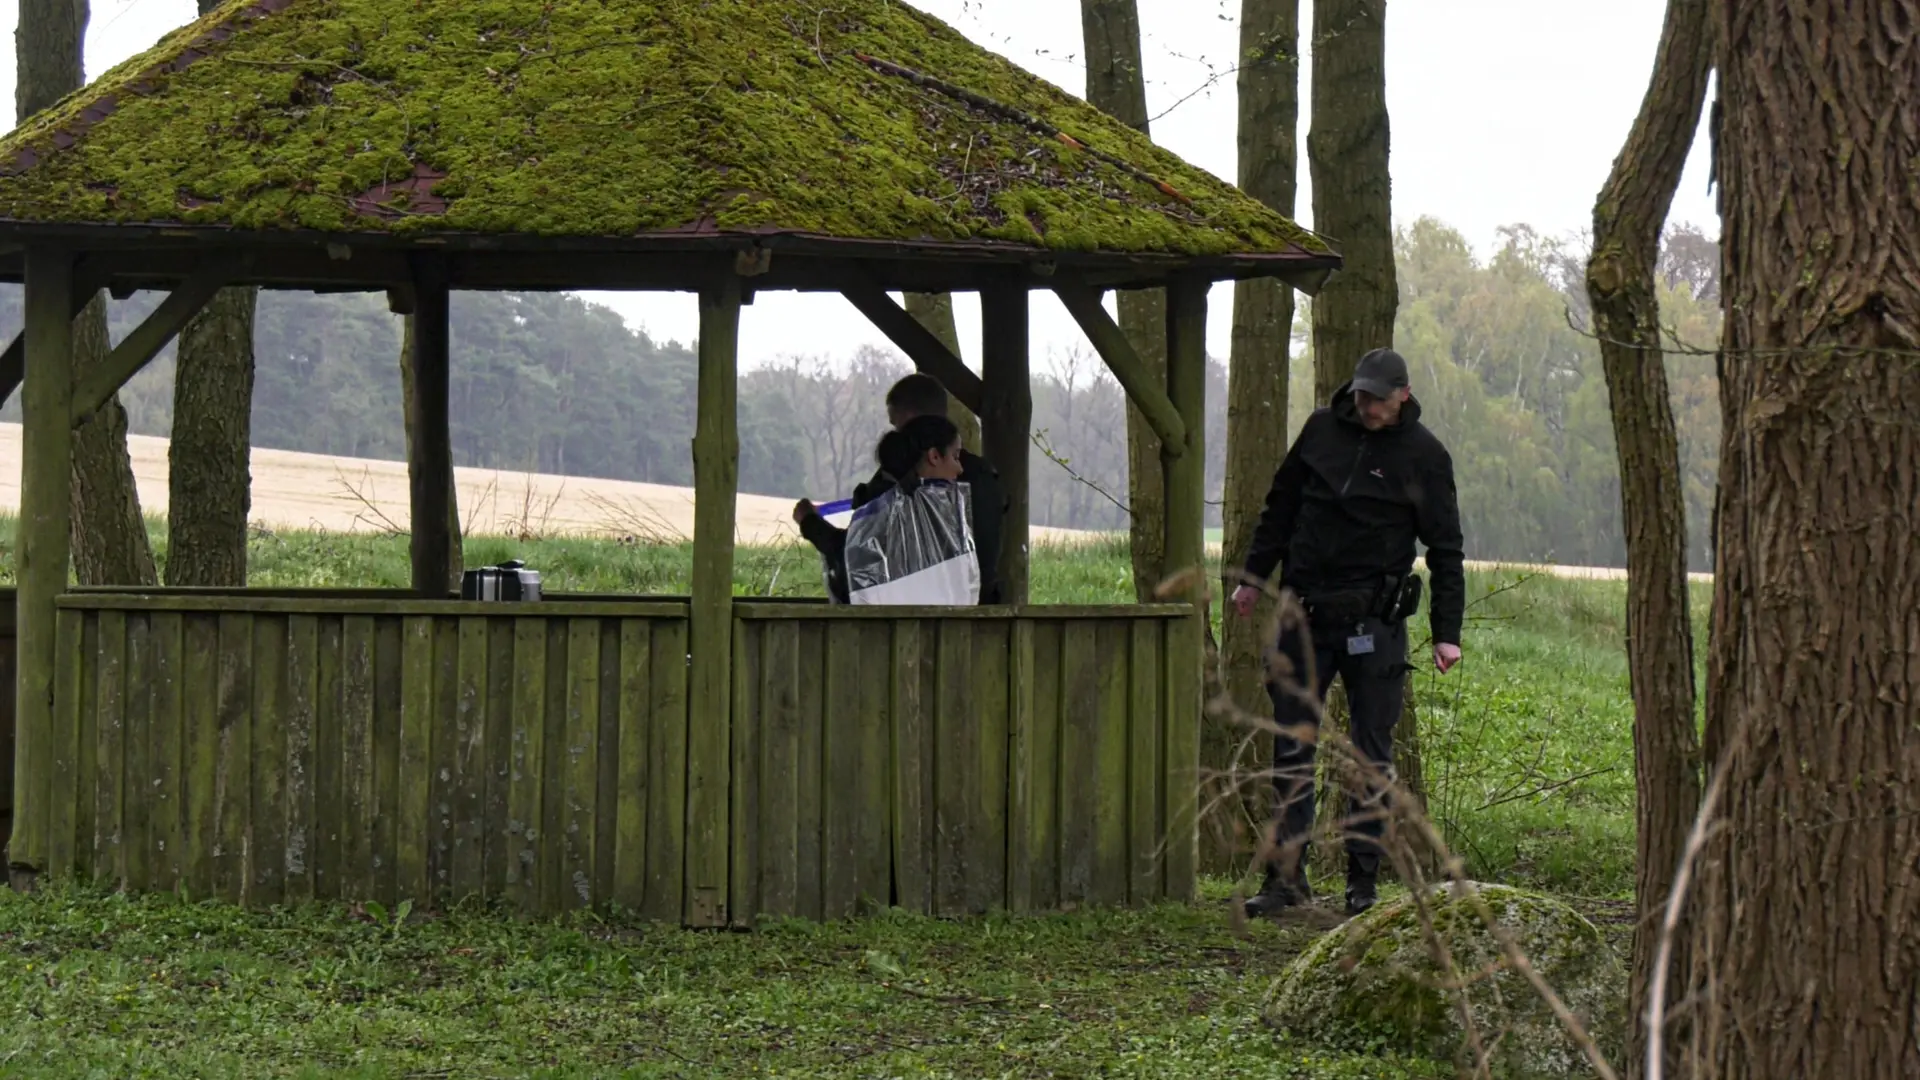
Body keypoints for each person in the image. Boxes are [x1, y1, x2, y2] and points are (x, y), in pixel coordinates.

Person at [1229, 347, 1466, 918]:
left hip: (1375, 624)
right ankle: (1285, 880)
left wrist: (1446, 632)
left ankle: (1362, 884)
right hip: (1304, 615)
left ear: (1402, 395)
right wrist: (1252, 578)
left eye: (1378, 399)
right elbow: (1279, 509)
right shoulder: (1319, 431)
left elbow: (1446, 549)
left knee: (1370, 758)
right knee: (1291, 748)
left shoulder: (1425, 456)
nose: (1367, 407)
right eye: (1361, 395)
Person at [793, 373, 1006, 604]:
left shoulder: (901, 486)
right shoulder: (984, 479)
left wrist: (810, 523)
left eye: (896, 423)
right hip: (979, 618)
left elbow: (858, 558)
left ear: (912, 420)